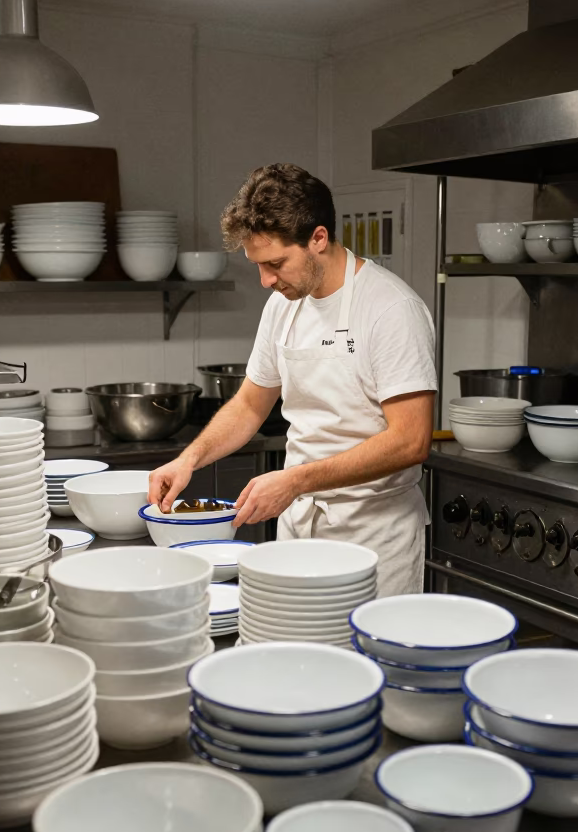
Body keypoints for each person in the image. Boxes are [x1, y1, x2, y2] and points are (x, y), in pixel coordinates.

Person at [148, 163, 437, 595]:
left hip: (375, 535)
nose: (266, 280)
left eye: (276, 263)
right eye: (258, 266)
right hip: (301, 526)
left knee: (365, 660)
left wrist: (296, 479)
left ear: (318, 238)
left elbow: (411, 440)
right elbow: (249, 404)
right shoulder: (283, 305)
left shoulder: (391, 309)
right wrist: (189, 459)